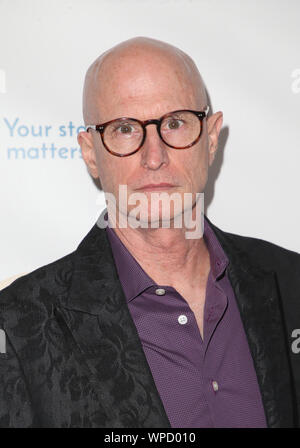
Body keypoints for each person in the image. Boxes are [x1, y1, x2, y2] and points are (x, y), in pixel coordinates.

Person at [0, 36, 299, 428]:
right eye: (125, 128)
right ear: (91, 153)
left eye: (175, 123)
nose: (154, 156)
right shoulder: (18, 326)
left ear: (211, 138)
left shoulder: (291, 282)